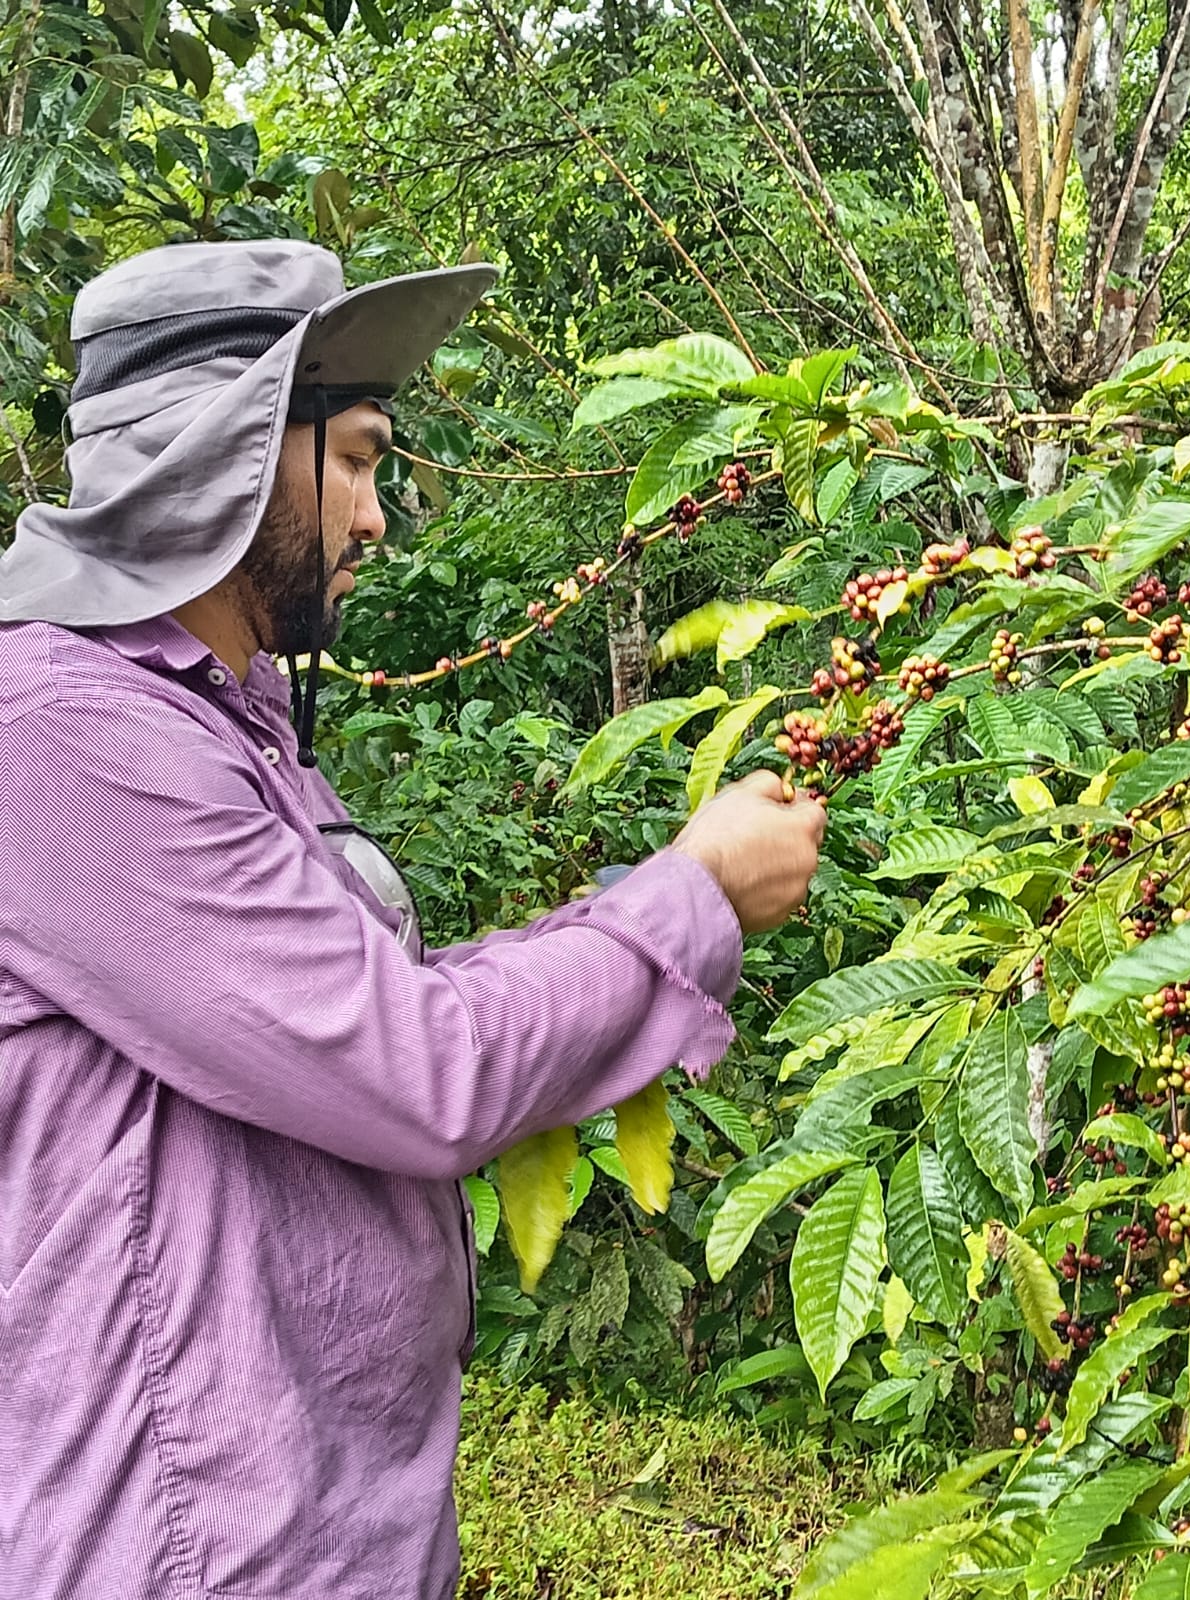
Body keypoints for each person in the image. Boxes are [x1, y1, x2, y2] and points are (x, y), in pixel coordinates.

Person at [0, 239, 826, 1598]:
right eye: (359, 459)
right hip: (188, 1551)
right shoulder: (71, 733)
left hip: (324, 1526)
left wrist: (640, 903)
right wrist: (692, 900)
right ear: (225, 452)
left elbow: (387, 1000)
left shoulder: (220, 724)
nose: (379, 518)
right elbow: (421, 1068)